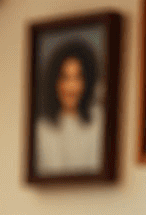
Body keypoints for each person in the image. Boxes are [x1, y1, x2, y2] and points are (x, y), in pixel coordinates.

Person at [33, 39, 104, 176]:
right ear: (54, 81)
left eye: (77, 78)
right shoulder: (41, 129)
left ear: (87, 81)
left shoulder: (99, 120)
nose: (71, 87)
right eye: (65, 78)